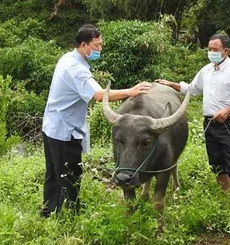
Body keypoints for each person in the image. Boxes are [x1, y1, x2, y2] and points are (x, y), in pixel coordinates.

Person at [40, 24, 151, 218]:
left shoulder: (67, 58)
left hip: (52, 126)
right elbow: (99, 95)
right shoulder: (76, 68)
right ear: (84, 45)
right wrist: (130, 91)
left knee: (54, 174)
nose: (100, 49)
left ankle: (49, 212)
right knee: (70, 174)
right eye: (97, 45)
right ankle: (70, 215)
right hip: (64, 131)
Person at [156, 34, 230, 203]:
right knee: (217, 165)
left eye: (215, 49)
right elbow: (192, 89)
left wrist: (227, 111)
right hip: (210, 123)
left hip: (229, 123)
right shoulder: (206, 70)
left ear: (226, 51)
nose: (211, 52)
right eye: (209, 49)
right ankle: (224, 198)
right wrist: (172, 84)